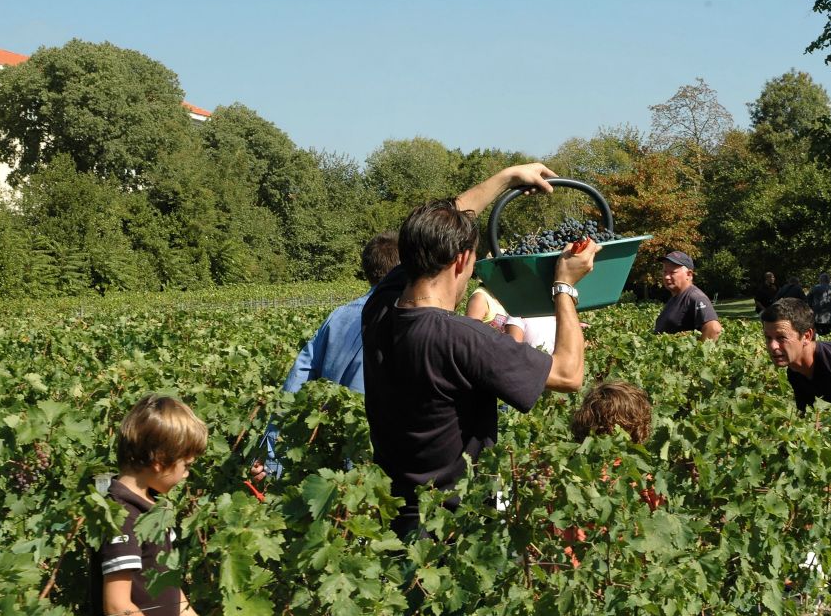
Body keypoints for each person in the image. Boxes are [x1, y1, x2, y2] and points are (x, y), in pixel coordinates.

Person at [361, 162, 600, 538]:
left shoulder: (379, 307)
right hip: (459, 523)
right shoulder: (461, 337)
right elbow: (569, 374)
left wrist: (508, 177)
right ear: (460, 262)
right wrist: (564, 286)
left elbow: (446, 219)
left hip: (398, 511)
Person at [251, 232, 401, 482]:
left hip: (328, 449)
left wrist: (272, 456)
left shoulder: (338, 315)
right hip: (375, 457)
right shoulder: (406, 318)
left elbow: (295, 383)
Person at [88, 395, 207, 616]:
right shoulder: (122, 515)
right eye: (186, 466)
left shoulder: (153, 510)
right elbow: (117, 604)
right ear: (159, 460)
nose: (187, 474)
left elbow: (166, 584)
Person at [653, 251, 722, 341]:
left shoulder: (695, 297)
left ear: (689, 274)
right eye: (665, 272)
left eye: (672, 272)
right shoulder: (675, 297)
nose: (666, 277)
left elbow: (713, 329)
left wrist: (697, 353)